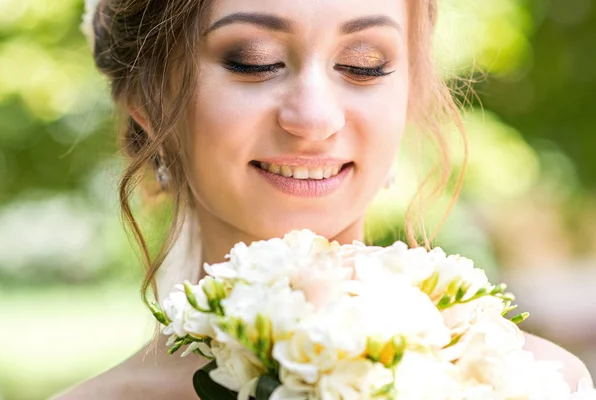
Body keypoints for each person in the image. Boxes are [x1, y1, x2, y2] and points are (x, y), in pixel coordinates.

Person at [54, 0, 592, 398]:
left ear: (409, 96)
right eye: (253, 60)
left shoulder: (540, 383)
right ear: (146, 102)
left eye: (363, 64)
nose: (313, 119)